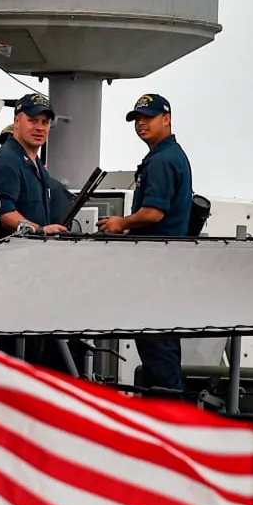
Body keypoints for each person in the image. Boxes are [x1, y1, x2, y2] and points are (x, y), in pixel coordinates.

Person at [98, 92, 193, 393]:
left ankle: (168, 414)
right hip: (165, 268)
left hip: (156, 269)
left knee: (158, 352)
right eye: (137, 119)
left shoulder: (163, 160)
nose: (141, 123)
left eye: (148, 118)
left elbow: (153, 212)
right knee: (161, 349)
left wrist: (121, 223)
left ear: (167, 119)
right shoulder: (168, 155)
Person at [0, 93, 71, 236]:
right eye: (33, 120)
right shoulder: (6, 160)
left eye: (45, 122)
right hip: (12, 248)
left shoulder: (36, 165)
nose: (40, 128)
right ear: (17, 121)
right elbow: (1, 212)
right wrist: (39, 230)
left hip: (32, 247)